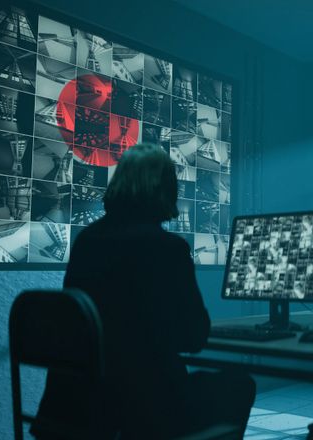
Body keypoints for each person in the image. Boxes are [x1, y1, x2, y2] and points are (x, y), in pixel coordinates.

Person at [32, 143, 255, 439]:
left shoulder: (87, 241)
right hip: (140, 411)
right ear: (166, 190)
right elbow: (193, 337)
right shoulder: (167, 249)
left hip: (75, 408)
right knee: (239, 384)